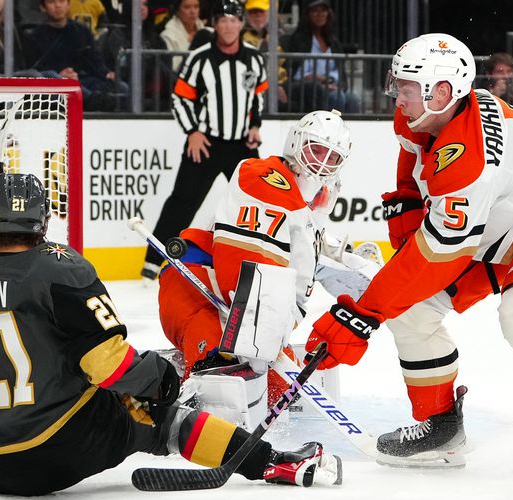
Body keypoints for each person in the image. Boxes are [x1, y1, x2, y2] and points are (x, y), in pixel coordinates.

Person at [306, 33, 513, 484]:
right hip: (497, 225)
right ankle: (441, 427)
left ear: (441, 92)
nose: (396, 95)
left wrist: (359, 315)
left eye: (403, 86)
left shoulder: (469, 159)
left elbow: (438, 258)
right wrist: (406, 226)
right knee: (409, 307)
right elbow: (409, 176)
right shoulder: (423, 115)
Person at [0, 172, 342, 496]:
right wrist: (159, 377)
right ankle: (273, 463)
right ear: (42, 221)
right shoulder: (59, 270)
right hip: (56, 451)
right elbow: (108, 365)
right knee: (156, 416)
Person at [157, 110, 380, 425]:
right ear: (295, 143)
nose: (321, 162)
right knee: (219, 371)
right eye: (316, 149)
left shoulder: (312, 203)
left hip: (242, 315)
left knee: (280, 393)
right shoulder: (260, 175)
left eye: (332, 157)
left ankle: (180, 372)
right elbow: (243, 273)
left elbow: (307, 252)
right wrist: (260, 340)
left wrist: (354, 266)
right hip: (195, 289)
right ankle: (176, 410)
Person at [141, 0, 266, 280]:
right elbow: (180, 98)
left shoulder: (254, 58)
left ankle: (265, 256)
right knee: (182, 202)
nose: (229, 26)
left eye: (234, 20)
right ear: (215, 24)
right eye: (223, 20)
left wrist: (255, 125)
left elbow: (257, 96)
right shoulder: (200, 58)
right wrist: (193, 132)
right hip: (206, 143)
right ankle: (153, 262)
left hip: (241, 146)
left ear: (241, 23)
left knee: (258, 201)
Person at [23, 0, 128, 111]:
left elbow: (95, 60)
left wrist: (107, 73)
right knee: (66, 85)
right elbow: (35, 69)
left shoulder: (82, 31)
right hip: (56, 83)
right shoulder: (35, 36)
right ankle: (93, 101)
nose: (58, 5)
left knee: (122, 87)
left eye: (62, 1)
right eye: (51, 2)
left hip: (85, 79)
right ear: (43, 7)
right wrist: (60, 75)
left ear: (69, 4)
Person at [283, 0, 359, 113]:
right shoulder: (299, 39)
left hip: (332, 86)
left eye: (323, 10)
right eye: (315, 11)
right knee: (337, 97)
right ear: (308, 14)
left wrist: (334, 83)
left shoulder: (333, 40)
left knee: (352, 99)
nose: (320, 15)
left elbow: (339, 72)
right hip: (307, 87)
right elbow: (298, 73)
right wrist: (322, 80)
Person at [242, 0, 289, 109]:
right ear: (247, 15)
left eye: (261, 12)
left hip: (282, 83)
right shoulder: (240, 37)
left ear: (269, 13)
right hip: (253, 83)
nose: (257, 16)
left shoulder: (282, 36)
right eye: (253, 12)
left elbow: (288, 66)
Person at [159, 0, 204, 71]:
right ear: (177, 10)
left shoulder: (208, 32)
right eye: (187, 7)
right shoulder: (168, 35)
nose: (193, 11)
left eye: (196, 6)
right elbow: (174, 69)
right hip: (181, 80)